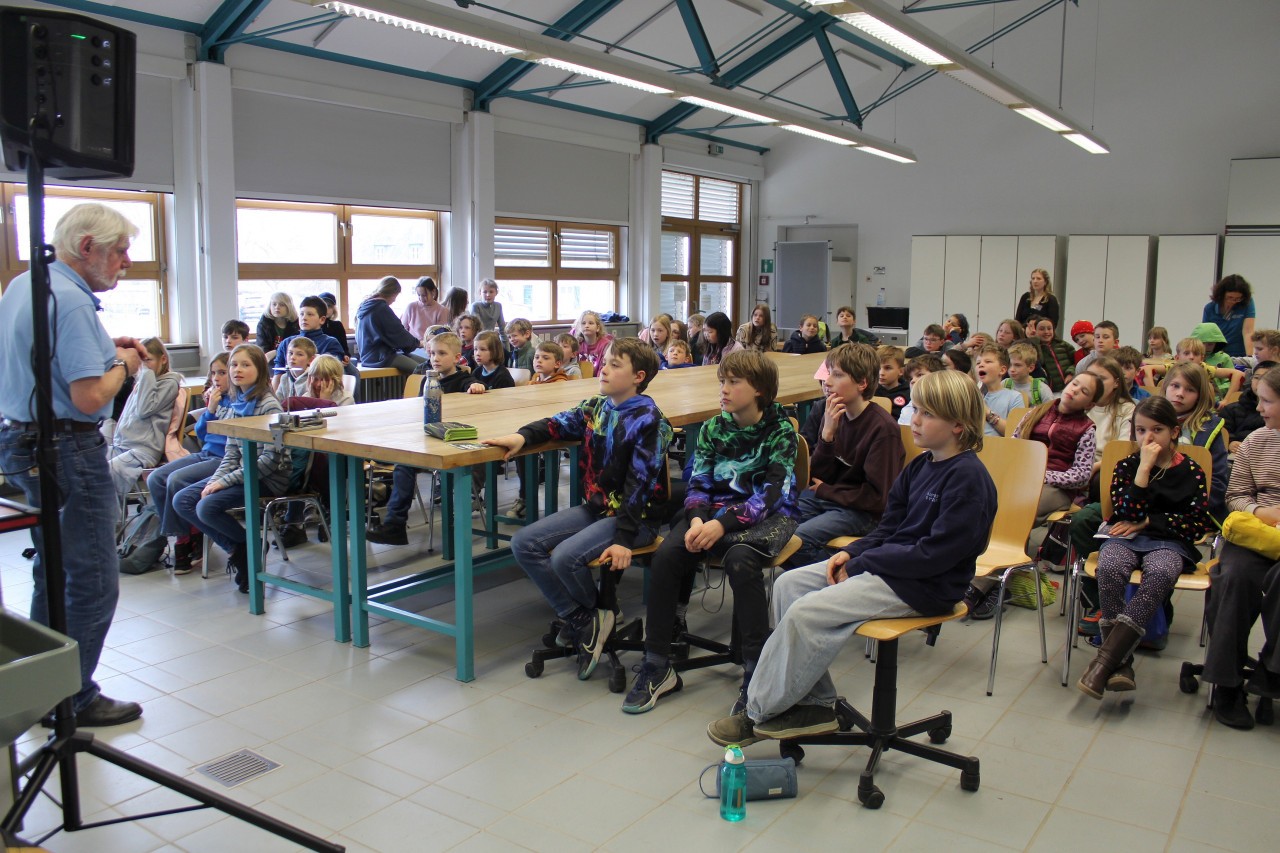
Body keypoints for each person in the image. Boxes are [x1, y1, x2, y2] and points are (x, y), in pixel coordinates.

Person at [706, 370, 997, 747]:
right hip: (893, 569)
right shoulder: (922, 465)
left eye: (927, 413)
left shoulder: (968, 480)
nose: (914, 419)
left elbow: (933, 557)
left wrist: (862, 564)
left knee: (807, 612)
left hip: (926, 587)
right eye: (915, 409)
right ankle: (815, 703)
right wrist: (851, 551)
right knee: (788, 585)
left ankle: (757, 712)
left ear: (958, 425)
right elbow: (888, 528)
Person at [0, 202, 146, 727]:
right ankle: (73, 697)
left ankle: (42, 687)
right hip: (66, 447)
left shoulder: (25, 285)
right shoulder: (75, 301)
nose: (127, 262)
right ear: (87, 248)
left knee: (54, 568)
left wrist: (104, 351)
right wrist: (123, 364)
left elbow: (44, 361)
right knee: (93, 579)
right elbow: (89, 397)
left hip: (20, 439)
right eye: (120, 251)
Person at [623, 351, 799, 714]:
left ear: (759, 389)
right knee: (667, 555)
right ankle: (657, 664)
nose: (724, 389)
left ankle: (756, 671)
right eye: (722, 381)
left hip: (765, 518)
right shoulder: (712, 428)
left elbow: (771, 495)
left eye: (734, 382)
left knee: (740, 561)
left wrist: (722, 523)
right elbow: (699, 482)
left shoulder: (781, 431)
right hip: (712, 516)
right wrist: (698, 519)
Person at [487, 339, 672, 680]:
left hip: (637, 520)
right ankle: (586, 618)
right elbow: (557, 424)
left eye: (615, 364)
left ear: (638, 377)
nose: (603, 368)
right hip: (599, 509)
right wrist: (522, 437)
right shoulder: (597, 407)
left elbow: (639, 487)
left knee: (564, 558)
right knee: (524, 543)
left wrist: (624, 540)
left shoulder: (650, 422)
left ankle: (594, 620)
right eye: (605, 361)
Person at [1076, 397, 1214, 699]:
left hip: (1170, 542)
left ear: (1174, 432)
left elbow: (1195, 524)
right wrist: (1143, 471)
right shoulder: (1127, 466)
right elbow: (1126, 513)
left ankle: (1105, 662)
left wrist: (1150, 521)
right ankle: (1121, 664)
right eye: (1141, 430)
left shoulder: (1191, 470)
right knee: (1110, 567)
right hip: (1125, 538)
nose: (1148, 438)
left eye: (1157, 430)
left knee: (1161, 572)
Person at [173, 345, 289, 594]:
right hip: (243, 473)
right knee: (183, 500)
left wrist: (224, 482)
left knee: (206, 507)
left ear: (260, 370)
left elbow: (271, 460)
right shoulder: (238, 404)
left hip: (268, 478)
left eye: (246, 365)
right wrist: (214, 481)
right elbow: (231, 454)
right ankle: (243, 548)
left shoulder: (270, 406)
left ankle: (245, 550)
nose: (237, 370)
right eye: (234, 364)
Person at [1202, 366, 1280, 729]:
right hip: (1256, 532)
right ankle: (1227, 684)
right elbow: (1235, 496)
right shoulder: (1256, 442)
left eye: (1267, 401)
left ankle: (1271, 671)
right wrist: (1263, 513)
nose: (1259, 408)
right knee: (1232, 577)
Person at [789, 343, 904, 569]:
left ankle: (852, 573)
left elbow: (878, 499)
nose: (828, 381)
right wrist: (827, 436)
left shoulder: (883, 429)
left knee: (797, 542)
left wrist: (826, 490)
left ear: (862, 383)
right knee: (775, 529)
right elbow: (819, 474)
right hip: (829, 499)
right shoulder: (832, 414)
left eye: (838, 375)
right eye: (829, 373)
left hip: (863, 512)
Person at [365, 333, 472, 546]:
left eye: (442, 353)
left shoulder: (465, 380)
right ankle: (393, 523)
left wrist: (477, 387)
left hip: (452, 443)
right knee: (401, 461)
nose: (435, 358)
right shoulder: (427, 380)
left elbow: (476, 386)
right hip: (428, 440)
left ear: (457, 357)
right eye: (432, 353)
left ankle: (396, 524)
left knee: (405, 463)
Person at [148, 353, 233, 575]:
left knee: (176, 480)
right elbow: (202, 434)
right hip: (206, 453)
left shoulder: (238, 399)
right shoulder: (218, 399)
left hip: (224, 459)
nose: (216, 378)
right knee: (156, 478)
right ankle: (189, 533)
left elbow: (231, 441)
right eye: (213, 373)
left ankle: (184, 540)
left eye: (222, 373)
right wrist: (210, 410)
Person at [106, 337, 183, 498]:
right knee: (90, 466)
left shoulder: (169, 383)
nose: (144, 365)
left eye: (148, 360)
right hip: (123, 444)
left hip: (143, 450)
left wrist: (146, 373)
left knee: (108, 473)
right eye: (141, 362)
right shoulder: (144, 381)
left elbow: (144, 409)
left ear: (163, 359)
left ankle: (110, 512)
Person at [355, 277, 427, 374]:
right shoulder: (381, 308)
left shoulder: (366, 306)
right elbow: (398, 333)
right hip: (381, 356)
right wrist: (418, 343)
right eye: (395, 296)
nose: (394, 300)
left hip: (370, 356)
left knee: (428, 364)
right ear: (393, 294)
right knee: (424, 371)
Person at [273, 295, 345, 371]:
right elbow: (278, 373)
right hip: (289, 379)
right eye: (301, 314)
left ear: (322, 320)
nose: (304, 318)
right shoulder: (286, 343)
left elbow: (331, 372)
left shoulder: (331, 343)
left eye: (310, 314)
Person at [1223, 361, 1274, 452]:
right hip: (1239, 454)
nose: (1260, 382)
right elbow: (1222, 434)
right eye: (1256, 377)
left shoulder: (1276, 412)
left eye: (1266, 378)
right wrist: (1230, 443)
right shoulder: (1231, 410)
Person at [975, 345, 1024, 437]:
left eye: (988, 361)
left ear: (1002, 370)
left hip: (998, 445)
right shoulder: (969, 395)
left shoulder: (1014, 397)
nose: (981, 365)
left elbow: (1015, 433)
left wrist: (987, 412)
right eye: (978, 363)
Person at [1203, 273, 1256, 358]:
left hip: (1240, 353)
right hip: (1217, 354)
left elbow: (1248, 331)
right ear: (1222, 295)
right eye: (1230, 297)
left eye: (1238, 298)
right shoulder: (1209, 309)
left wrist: (1249, 357)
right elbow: (1206, 336)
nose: (1233, 301)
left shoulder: (1247, 303)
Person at [896, 354, 945, 426]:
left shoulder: (945, 406)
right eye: (910, 378)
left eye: (919, 375)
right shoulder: (907, 409)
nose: (912, 381)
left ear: (937, 377)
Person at [1004, 341, 1055, 405]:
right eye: (1010, 365)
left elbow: (1051, 410)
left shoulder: (1042, 389)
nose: (1012, 369)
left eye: (1017, 365)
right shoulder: (1003, 385)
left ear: (1031, 368)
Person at [401, 276, 451, 340]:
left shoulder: (442, 310)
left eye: (424, 295)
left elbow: (440, 335)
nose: (421, 298)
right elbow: (403, 329)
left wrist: (424, 342)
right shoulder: (411, 307)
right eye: (419, 295)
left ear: (433, 292)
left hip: (432, 344)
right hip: (412, 343)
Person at [1035, 315, 1076, 393]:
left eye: (1049, 328)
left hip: (1069, 387)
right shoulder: (1034, 348)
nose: (1046, 332)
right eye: (1042, 329)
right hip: (1049, 391)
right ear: (1035, 331)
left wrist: (1070, 373)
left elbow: (1076, 362)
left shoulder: (1064, 345)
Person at [257, 291, 299, 363]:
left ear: (289, 307)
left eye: (282, 305)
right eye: (274, 304)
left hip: (290, 360)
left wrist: (276, 352)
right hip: (269, 361)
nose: (277, 307)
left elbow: (296, 347)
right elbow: (262, 348)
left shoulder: (296, 325)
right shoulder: (263, 324)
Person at [874, 345, 910, 419]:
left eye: (887, 368)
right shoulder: (870, 391)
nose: (881, 373)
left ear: (901, 371)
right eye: (878, 368)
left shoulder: (908, 394)